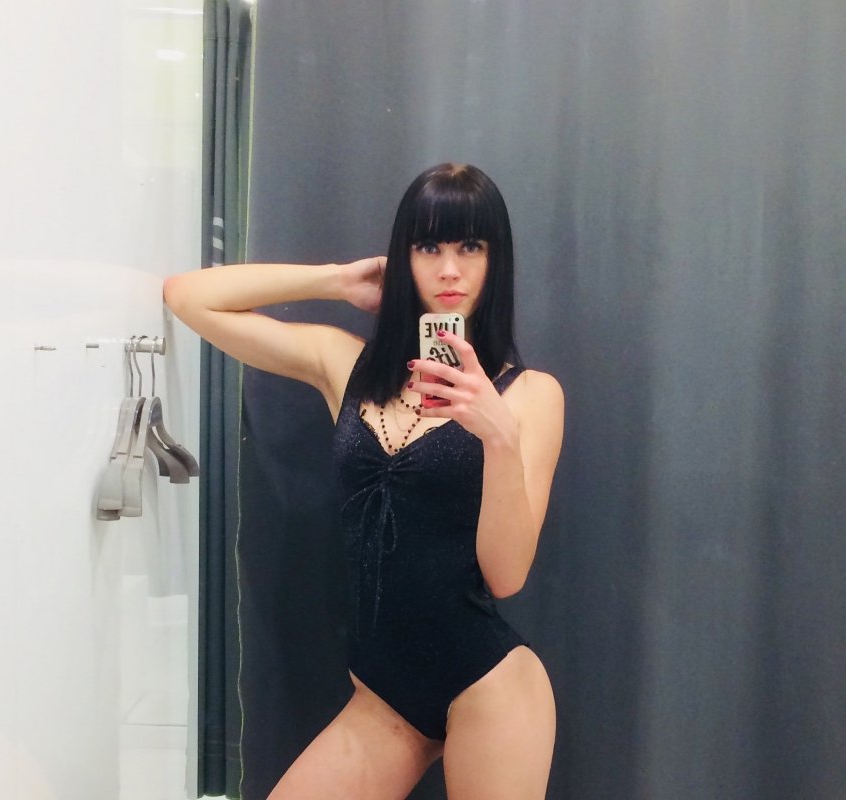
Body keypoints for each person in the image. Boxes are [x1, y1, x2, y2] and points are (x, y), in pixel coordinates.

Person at [163, 163, 564, 799]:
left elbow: (506, 575)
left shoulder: (530, 395)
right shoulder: (345, 364)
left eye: (470, 246)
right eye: (428, 246)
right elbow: (187, 296)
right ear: (403, 257)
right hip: (384, 696)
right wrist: (334, 280)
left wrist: (498, 436)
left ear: (496, 261)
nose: (450, 270)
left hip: (489, 685)